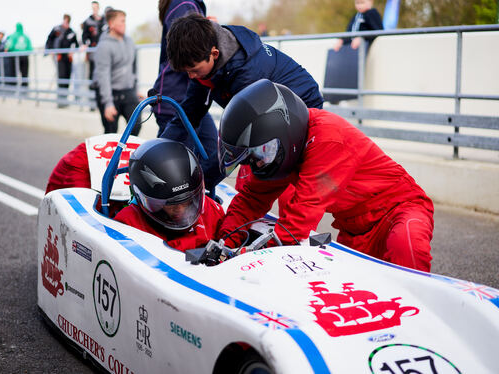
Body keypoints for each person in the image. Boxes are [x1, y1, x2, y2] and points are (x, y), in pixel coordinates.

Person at [217, 79, 434, 272]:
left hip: (399, 210)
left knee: (405, 245)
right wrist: (223, 243)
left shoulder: (327, 139)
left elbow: (297, 223)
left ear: (285, 137)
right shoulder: (286, 150)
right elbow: (250, 200)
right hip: (354, 229)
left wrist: (246, 255)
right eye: (253, 157)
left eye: (261, 153)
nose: (258, 162)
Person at [160, 13, 324, 191]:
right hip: (266, 105)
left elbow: (235, 143)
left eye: (193, 70)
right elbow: (189, 114)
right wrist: (159, 151)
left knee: (275, 180)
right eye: (186, 72)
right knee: (250, 180)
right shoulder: (203, 55)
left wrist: (196, 186)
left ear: (214, 54)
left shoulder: (245, 74)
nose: (190, 76)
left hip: (301, 105)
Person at [114, 139, 225, 251]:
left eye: (187, 202)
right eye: (172, 205)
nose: (181, 210)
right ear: (142, 198)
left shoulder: (212, 212)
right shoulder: (128, 224)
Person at [151, 0, 208, 137]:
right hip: (177, 98)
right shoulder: (185, 5)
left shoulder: (187, 4)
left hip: (191, 98)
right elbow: (190, 52)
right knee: (173, 157)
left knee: (211, 152)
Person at [93, 9, 141, 134]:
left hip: (128, 91)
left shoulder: (130, 42)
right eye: (122, 21)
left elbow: (134, 69)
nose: (125, 24)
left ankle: (127, 154)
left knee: (136, 126)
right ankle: (114, 153)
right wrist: (108, 103)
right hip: (110, 94)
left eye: (125, 21)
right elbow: (103, 76)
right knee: (110, 133)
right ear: (111, 24)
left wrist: (136, 90)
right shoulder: (103, 46)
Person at [46, 14, 79, 107]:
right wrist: (51, 51)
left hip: (68, 58)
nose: (66, 23)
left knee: (67, 79)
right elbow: (49, 40)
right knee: (61, 78)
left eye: (67, 21)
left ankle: (65, 100)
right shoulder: (56, 29)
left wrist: (72, 52)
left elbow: (76, 45)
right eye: (65, 20)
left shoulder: (72, 32)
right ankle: (60, 101)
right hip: (59, 57)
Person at [82, 1, 105, 81]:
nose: (94, 9)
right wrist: (85, 44)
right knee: (92, 71)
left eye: (96, 8)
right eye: (93, 8)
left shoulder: (104, 20)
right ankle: (92, 90)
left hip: (104, 50)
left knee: (103, 70)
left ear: (98, 8)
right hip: (93, 50)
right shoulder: (87, 22)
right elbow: (84, 36)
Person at [5, 23, 33, 88]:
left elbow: (9, 46)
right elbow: (30, 48)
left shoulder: (13, 36)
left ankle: (13, 86)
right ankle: (25, 86)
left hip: (15, 56)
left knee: (13, 72)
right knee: (25, 73)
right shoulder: (26, 36)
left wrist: (7, 49)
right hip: (25, 56)